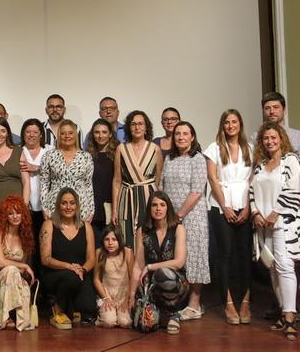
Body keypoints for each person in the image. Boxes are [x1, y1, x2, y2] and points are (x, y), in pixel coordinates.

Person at [250, 122, 300, 340]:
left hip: (284, 221)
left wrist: (275, 213)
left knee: (285, 266)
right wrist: (256, 213)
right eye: (265, 138)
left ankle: (291, 317)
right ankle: (284, 312)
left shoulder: (290, 161)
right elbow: (252, 192)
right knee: (271, 267)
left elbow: (293, 190)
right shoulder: (260, 165)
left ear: (281, 138)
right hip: (263, 224)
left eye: (273, 137)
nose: (269, 141)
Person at [204, 109, 253, 325]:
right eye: (227, 122)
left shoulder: (250, 148)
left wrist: (248, 207)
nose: (231, 125)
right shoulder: (214, 148)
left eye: (234, 122)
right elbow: (213, 180)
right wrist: (225, 207)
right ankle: (229, 303)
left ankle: (245, 301)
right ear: (222, 125)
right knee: (225, 255)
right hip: (220, 205)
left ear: (240, 124)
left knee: (244, 255)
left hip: (245, 204)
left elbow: (253, 179)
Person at [161, 121, 209, 322]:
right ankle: (176, 301)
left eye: (185, 133)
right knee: (175, 257)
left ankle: (195, 304)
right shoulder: (169, 159)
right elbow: (161, 186)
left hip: (192, 216)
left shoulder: (197, 159)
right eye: (177, 134)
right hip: (171, 217)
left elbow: (197, 191)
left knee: (194, 257)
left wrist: (179, 215)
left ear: (192, 137)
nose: (181, 137)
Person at [129, 191, 189, 335]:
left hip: (176, 284)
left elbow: (179, 262)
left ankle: (173, 314)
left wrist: (151, 267)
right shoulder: (143, 231)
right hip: (152, 285)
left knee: (164, 273)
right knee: (145, 326)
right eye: (154, 205)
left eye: (162, 205)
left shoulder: (178, 228)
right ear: (149, 209)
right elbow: (138, 265)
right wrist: (131, 295)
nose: (158, 209)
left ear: (168, 208)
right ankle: (159, 312)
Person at [39, 188, 97, 328]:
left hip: (79, 273)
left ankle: (70, 306)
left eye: (72, 203)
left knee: (89, 310)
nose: (68, 207)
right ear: (58, 205)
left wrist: (82, 270)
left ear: (77, 205)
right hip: (55, 273)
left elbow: (92, 259)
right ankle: (57, 308)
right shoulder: (49, 225)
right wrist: (69, 266)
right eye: (64, 203)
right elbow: (45, 259)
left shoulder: (86, 227)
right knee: (71, 277)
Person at [112, 110, 162, 249]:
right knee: (126, 239)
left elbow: (158, 180)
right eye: (133, 124)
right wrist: (115, 210)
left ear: (146, 127)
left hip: (148, 199)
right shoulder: (121, 149)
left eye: (141, 124)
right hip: (126, 198)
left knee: (147, 239)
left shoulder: (155, 149)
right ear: (128, 127)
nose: (137, 127)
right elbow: (116, 181)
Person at [0, 195, 35, 330]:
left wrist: (21, 273)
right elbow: (1, 263)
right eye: (10, 213)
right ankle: (4, 317)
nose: (15, 216)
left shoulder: (25, 237)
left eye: (18, 212)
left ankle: (18, 320)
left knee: (21, 281)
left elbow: (20, 271)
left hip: (15, 278)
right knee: (10, 270)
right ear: (5, 216)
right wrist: (24, 266)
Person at [39, 120, 94, 224]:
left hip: (81, 206)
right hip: (55, 204)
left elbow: (88, 184)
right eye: (63, 133)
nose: (67, 136)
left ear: (75, 135)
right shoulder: (49, 156)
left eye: (70, 133)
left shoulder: (86, 157)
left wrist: (91, 209)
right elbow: (44, 183)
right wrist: (44, 207)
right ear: (58, 136)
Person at [19, 118, 51, 256]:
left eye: (35, 132)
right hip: (26, 205)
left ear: (41, 134)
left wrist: (37, 168)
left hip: (47, 206)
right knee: (28, 244)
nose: (31, 135)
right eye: (28, 132)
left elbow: (57, 172)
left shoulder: (50, 150)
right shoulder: (18, 151)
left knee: (45, 243)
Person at [93, 223, 132, 328]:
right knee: (109, 322)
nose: (110, 243)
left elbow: (133, 278)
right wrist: (105, 298)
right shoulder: (100, 253)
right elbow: (96, 279)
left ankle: (120, 313)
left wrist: (127, 298)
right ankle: (103, 316)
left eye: (114, 239)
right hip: (108, 294)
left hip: (123, 295)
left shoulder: (127, 252)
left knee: (125, 322)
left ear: (119, 240)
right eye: (107, 239)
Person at [259, 91, 300, 162]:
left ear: (284, 110)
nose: (272, 111)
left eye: (276, 107)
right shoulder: (256, 137)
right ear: (263, 112)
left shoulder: (299, 137)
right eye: (267, 108)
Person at [86, 118, 117, 232]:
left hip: (111, 209)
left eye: (104, 132)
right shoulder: (88, 156)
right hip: (93, 209)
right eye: (97, 132)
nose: (100, 136)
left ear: (110, 135)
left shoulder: (117, 154)